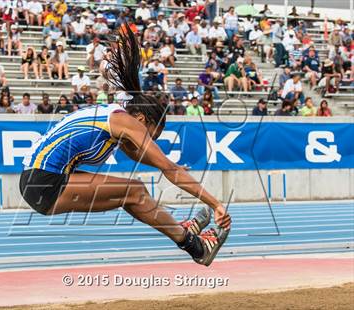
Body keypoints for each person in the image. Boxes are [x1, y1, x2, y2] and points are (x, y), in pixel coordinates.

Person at [20, 24, 231, 267]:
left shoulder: (118, 123)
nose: (149, 141)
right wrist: (215, 203)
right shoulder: (124, 121)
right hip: (43, 183)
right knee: (135, 190)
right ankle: (196, 247)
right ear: (141, 120)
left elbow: (147, 159)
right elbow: (169, 169)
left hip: (40, 181)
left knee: (135, 196)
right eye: (151, 135)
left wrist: (166, 165)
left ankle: (184, 235)